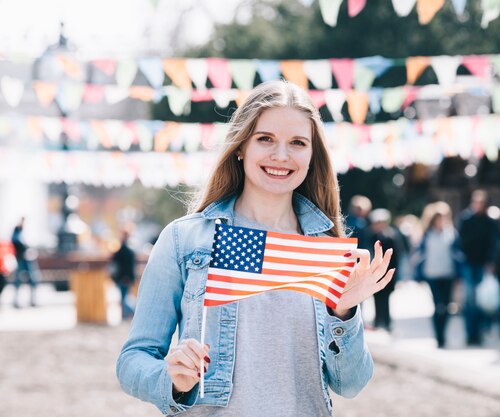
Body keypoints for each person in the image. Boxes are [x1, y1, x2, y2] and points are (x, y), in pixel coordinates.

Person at [117, 80, 395, 416]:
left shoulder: (325, 250)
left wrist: (344, 312)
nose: (281, 155)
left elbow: (351, 383)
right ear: (240, 146)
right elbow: (133, 361)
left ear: (311, 154)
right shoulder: (186, 240)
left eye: (297, 143)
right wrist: (172, 377)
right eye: (265, 139)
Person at [415, 202, 462, 348]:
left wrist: (459, 274)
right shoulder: (427, 235)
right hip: (432, 274)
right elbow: (420, 256)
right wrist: (419, 276)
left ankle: (443, 334)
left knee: (447, 307)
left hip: (448, 273)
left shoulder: (451, 233)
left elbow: (457, 255)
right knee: (438, 306)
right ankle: (438, 336)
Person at [457, 190, 499, 346]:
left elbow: (493, 243)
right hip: (469, 263)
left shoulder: (490, 222)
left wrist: (491, 261)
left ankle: (479, 332)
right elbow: (460, 241)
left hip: (483, 264)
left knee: (482, 300)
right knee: (469, 300)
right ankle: (470, 333)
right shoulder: (466, 220)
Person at [361, 208, 403, 332]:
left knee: (386, 298)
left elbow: (397, 256)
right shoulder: (369, 235)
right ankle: (378, 320)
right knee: (376, 297)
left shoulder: (391, 236)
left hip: (388, 271)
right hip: (375, 272)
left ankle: (387, 321)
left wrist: (396, 274)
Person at [11, 217, 38, 308]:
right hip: (20, 259)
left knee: (33, 279)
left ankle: (32, 300)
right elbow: (16, 242)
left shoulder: (24, 232)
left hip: (27, 259)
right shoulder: (16, 232)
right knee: (18, 280)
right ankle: (16, 301)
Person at [110, 229, 136, 320]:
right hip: (125, 277)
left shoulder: (123, 249)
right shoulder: (129, 248)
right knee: (124, 297)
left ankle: (133, 313)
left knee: (124, 298)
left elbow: (121, 264)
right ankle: (125, 315)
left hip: (123, 277)